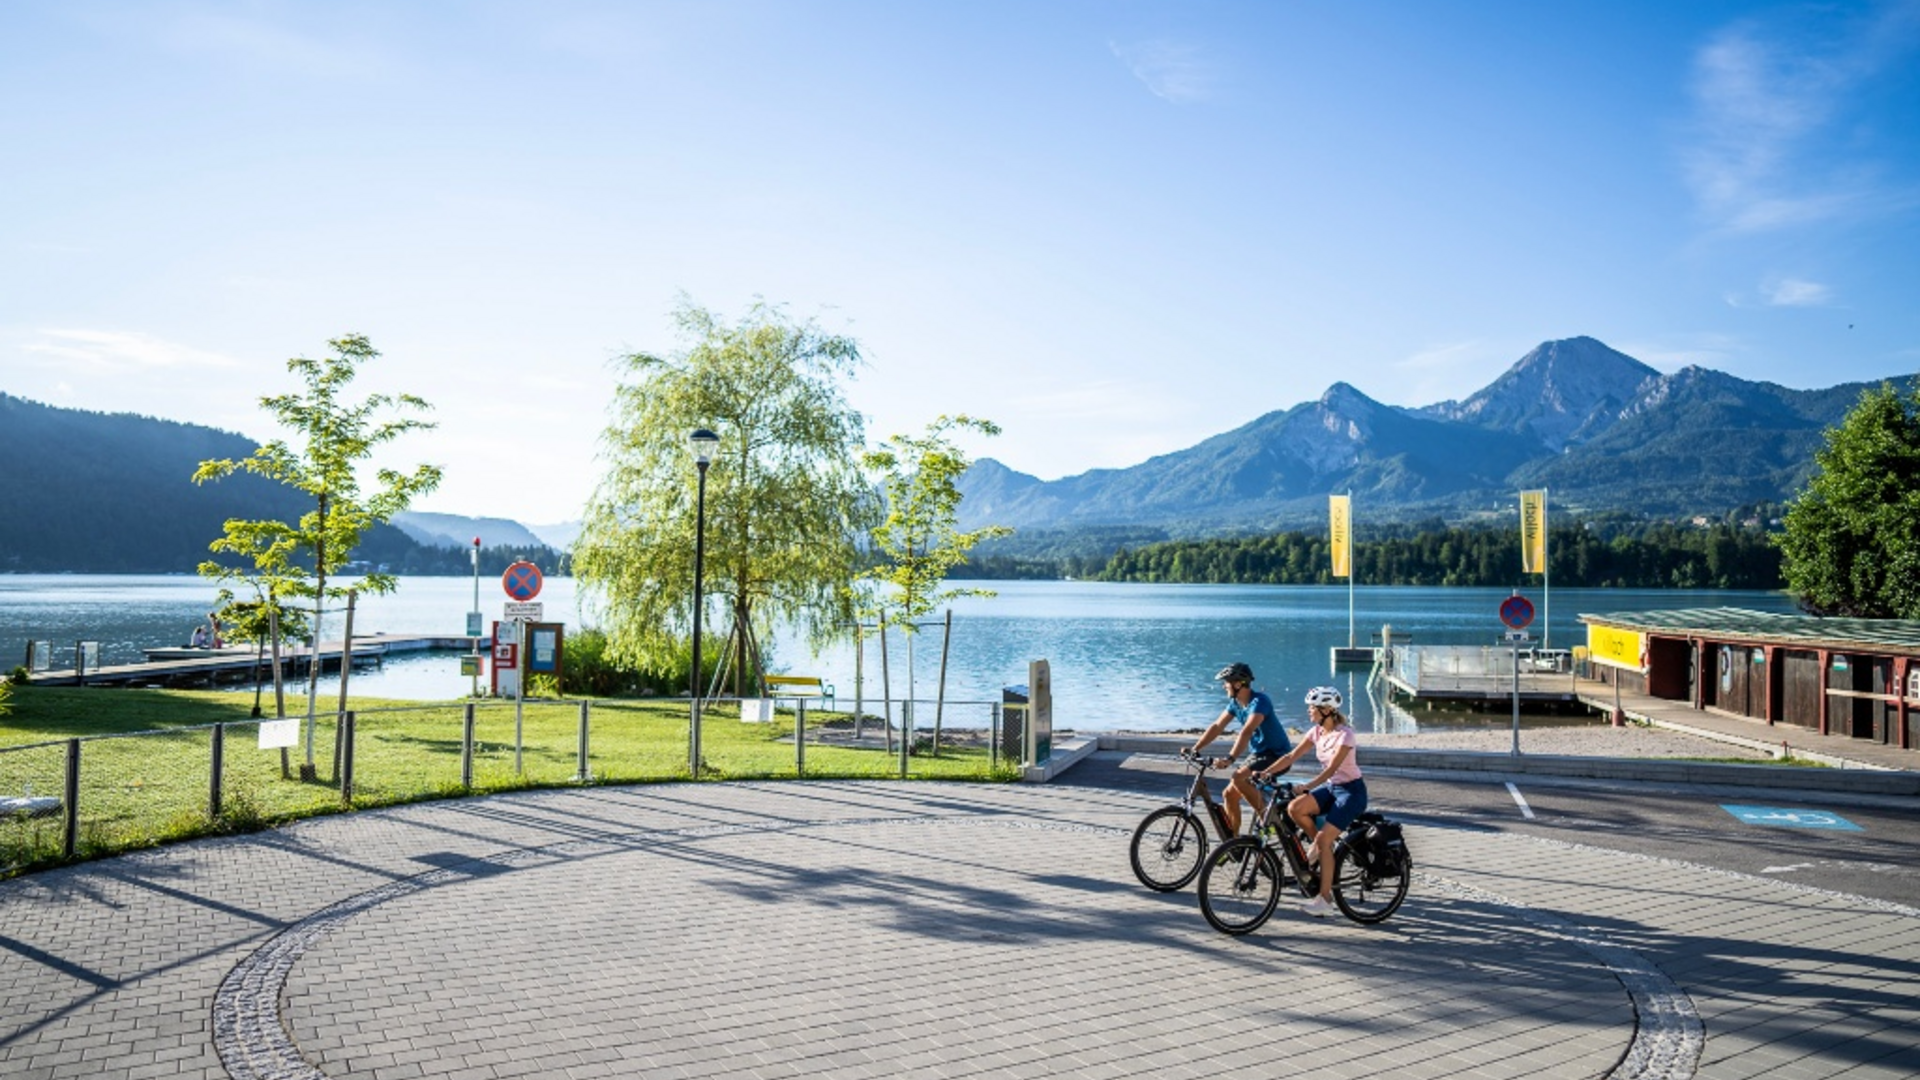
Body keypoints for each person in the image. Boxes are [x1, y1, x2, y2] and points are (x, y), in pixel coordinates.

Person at [1258, 685, 1366, 918]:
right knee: (1295, 808)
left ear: (1327, 710)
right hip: (1331, 789)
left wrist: (1307, 786)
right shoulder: (1316, 732)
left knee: (1323, 840)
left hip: (1351, 792)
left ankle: (1325, 899)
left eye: (1312, 708)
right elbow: (1290, 756)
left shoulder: (1345, 735)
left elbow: (1332, 770)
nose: (1309, 711)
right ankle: (1321, 846)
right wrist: (1265, 773)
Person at [1187, 662, 1292, 836]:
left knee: (1238, 778)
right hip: (1258, 754)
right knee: (1229, 795)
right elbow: (1217, 726)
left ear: (1238, 684)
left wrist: (1230, 758)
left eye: (1226, 682)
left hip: (1277, 755)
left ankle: (1268, 820)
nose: (1224, 686)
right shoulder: (1235, 704)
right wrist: (1195, 748)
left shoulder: (1260, 701)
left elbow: (1247, 731)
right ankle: (1234, 842)